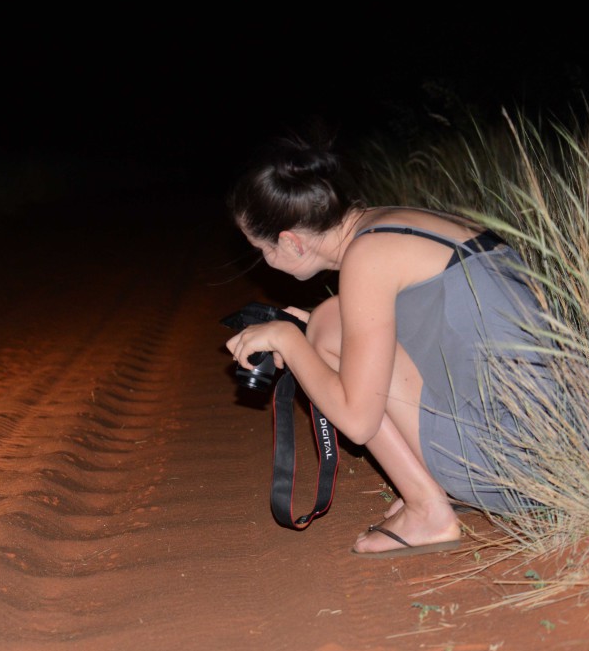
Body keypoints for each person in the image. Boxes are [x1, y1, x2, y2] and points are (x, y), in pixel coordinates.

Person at [224, 136, 551, 558]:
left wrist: (291, 340)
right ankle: (442, 492)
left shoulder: (367, 256)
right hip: (556, 447)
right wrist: (311, 337)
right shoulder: (396, 222)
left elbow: (358, 422)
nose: (265, 261)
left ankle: (427, 511)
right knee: (328, 323)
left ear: (291, 241)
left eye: (262, 250)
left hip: (516, 469)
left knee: (326, 322)